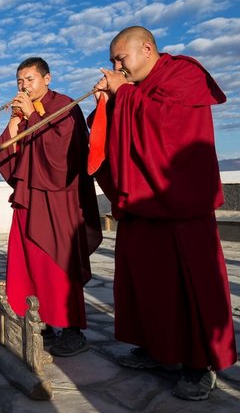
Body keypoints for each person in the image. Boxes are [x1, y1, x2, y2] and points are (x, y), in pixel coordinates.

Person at [92, 26, 236, 401]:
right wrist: (107, 105)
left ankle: (198, 364)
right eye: (112, 62)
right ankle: (159, 351)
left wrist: (122, 95)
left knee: (190, 288)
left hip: (180, 209)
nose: (116, 67)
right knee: (149, 287)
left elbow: (168, 129)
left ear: (146, 48)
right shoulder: (134, 90)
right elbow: (116, 142)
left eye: (120, 59)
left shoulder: (182, 75)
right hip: (142, 205)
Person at [0, 57, 102, 357]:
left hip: (59, 199)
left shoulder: (65, 106)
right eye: (19, 81)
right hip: (29, 197)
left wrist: (32, 117)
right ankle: (39, 320)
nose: (24, 85)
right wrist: (16, 121)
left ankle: (72, 330)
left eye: (29, 79)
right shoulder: (26, 111)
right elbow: (8, 152)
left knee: (58, 263)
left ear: (47, 78)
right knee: (31, 262)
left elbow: (62, 152)